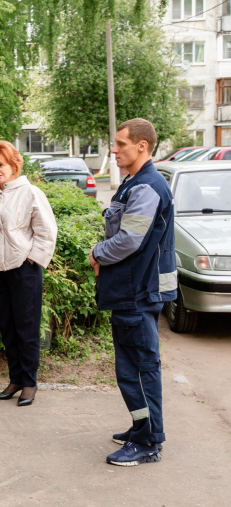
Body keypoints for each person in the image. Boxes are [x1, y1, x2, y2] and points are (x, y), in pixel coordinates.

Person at [89, 119, 176, 467]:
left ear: (142, 146)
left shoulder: (147, 187)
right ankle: (141, 426)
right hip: (132, 291)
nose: (115, 149)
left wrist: (97, 252)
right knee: (129, 369)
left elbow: (128, 240)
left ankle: (149, 441)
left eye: (121, 143)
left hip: (137, 293)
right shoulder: (135, 183)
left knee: (140, 368)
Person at [0, 141, 57, 407]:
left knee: (26, 328)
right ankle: (15, 379)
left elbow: (47, 232)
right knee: (7, 327)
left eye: (1, 165)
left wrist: (32, 260)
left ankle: (30, 383)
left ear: (14, 165)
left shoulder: (30, 193)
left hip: (24, 270)